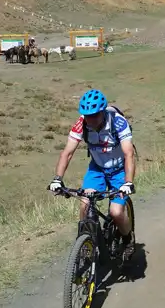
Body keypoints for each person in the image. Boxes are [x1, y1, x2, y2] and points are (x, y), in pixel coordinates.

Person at [48, 89, 136, 260]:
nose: (90, 119)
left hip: (119, 169)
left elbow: (128, 154)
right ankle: (86, 243)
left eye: (95, 115)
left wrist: (128, 182)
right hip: (97, 169)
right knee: (85, 203)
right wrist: (57, 179)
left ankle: (127, 240)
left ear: (103, 111)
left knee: (116, 211)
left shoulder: (118, 122)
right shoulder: (82, 124)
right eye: (87, 115)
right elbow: (67, 153)